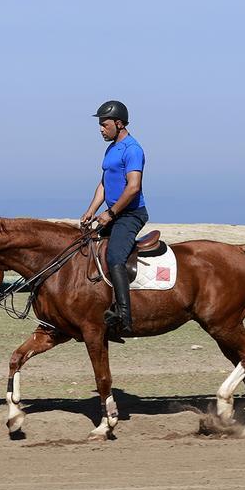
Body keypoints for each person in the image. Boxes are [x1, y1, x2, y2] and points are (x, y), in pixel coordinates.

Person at [79, 100, 147, 339]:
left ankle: (124, 317)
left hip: (130, 214)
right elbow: (105, 183)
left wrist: (110, 213)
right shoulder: (111, 149)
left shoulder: (133, 149)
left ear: (119, 124)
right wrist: (91, 210)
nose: (100, 129)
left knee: (115, 256)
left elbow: (133, 187)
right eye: (100, 124)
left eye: (104, 124)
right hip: (115, 214)